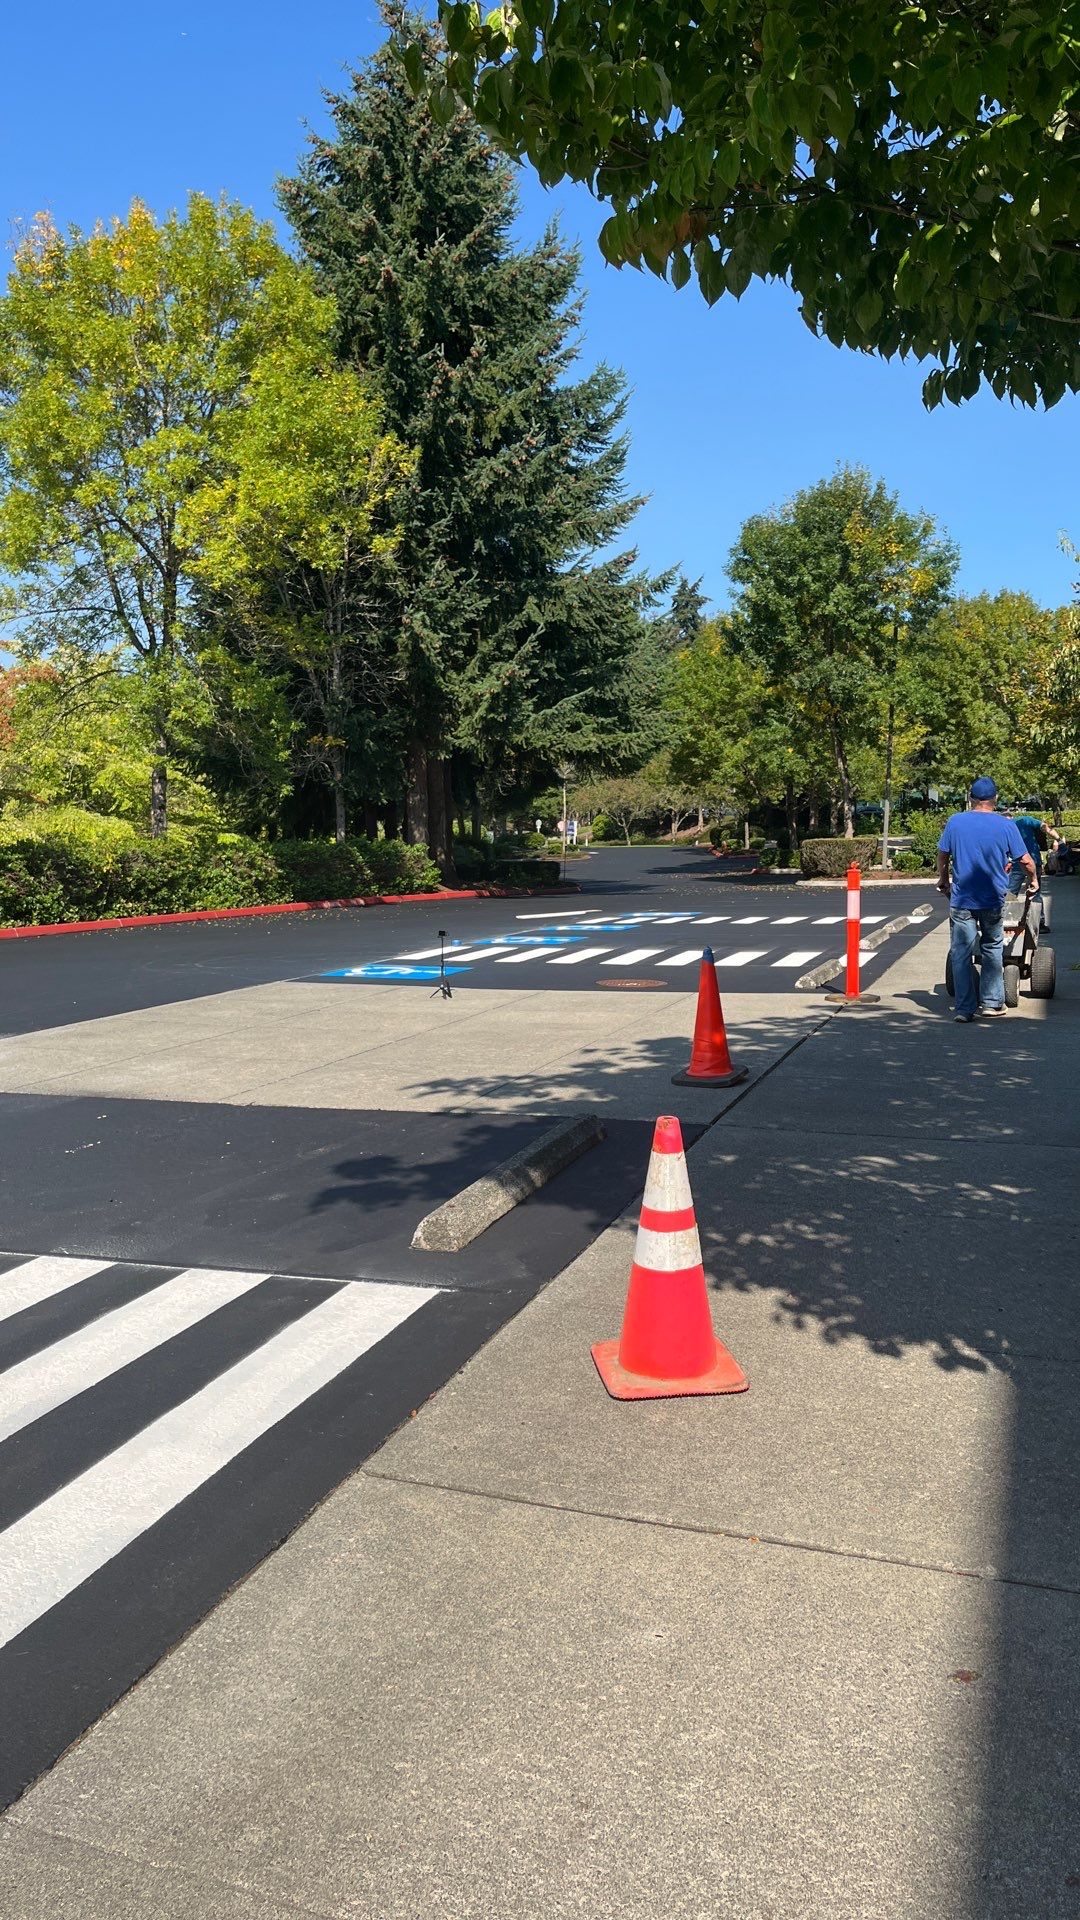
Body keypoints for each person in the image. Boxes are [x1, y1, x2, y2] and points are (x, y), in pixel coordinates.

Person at [937, 778, 1037, 1022]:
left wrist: (943, 879)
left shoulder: (956, 821)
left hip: (962, 899)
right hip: (992, 898)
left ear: (971, 797)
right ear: (995, 799)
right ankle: (992, 1004)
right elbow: (1025, 860)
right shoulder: (1005, 825)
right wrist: (1033, 880)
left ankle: (963, 1009)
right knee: (992, 947)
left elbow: (942, 855)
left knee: (960, 952)